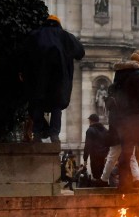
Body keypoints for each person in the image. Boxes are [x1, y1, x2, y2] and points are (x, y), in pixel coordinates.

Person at [19, 14, 85, 143]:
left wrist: (22, 71)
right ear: (58, 24)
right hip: (59, 78)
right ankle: (54, 134)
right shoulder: (65, 36)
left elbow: (23, 54)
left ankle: (37, 134)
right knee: (56, 105)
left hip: (39, 77)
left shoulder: (35, 35)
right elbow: (80, 53)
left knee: (38, 103)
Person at [111, 50, 139, 192]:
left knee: (126, 152)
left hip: (123, 120)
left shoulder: (119, 74)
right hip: (137, 118)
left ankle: (124, 184)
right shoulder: (136, 73)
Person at [82, 113, 111, 185]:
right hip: (104, 156)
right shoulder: (105, 130)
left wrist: (85, 159)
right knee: (103, 175)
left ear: (91, 121)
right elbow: (109, 144)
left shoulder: (90, 130)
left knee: (96, 175)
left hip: (94, 155)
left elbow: (87, 145)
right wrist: (106, 153)